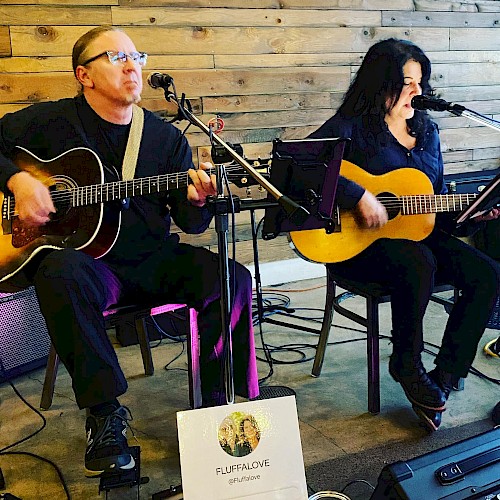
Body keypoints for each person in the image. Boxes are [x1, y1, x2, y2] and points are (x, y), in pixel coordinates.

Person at [0, 26, 259, 477]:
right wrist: (19, 181)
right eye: (115, 56)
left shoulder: (166, 139)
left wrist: (200, 200)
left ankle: (218, 408)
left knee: (231, 277)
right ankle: (104, 415)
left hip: (152, 258)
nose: (131, 65)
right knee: (59, 270)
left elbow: (191, 222)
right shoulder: (49, 122)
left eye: (136, 56)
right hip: (91, 267)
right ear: (84, 74)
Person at [309, 38, 500, 431]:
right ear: (379, 85)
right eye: (406, 82)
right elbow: (297, 168)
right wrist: (357, 194)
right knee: (419, 261)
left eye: (420, 82)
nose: (417, 91)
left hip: (416, 236)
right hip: (361, 246)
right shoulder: (350, 128)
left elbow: (431, 206)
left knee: (487, 273)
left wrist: (470, 215)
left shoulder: (426, 130)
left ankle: (444, 377)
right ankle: (406, 365)